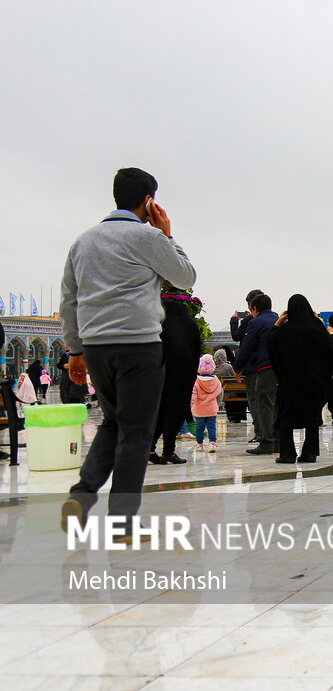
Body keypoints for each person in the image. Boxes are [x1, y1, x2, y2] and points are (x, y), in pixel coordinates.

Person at [59, 167, 197, 535]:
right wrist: (168, 235)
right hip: (138, 346)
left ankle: (83, 494)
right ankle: (122, 522)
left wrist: (75, 351)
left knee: (114, 422)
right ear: (149, 202)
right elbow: (185, 278)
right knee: (137, 432)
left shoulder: (83, 241)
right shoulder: (148, 238)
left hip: (97, 348)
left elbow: (69, 301)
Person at [268, 294, 332, 463]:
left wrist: (277, 324)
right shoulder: (318, 331)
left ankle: (287, 453)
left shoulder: (282, 334)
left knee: (285, 416)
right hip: (313, 382)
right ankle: (310, 453)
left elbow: (270, 345)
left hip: (289, 383)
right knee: (311, 417)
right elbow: (329, 352)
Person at [148, 289, 202, 465]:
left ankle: (149, 448)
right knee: (175, 412)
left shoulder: (161, 326)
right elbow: (196, 352)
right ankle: (169, 451)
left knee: (160, 413)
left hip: (161, 376)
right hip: (183, 377)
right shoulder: (190, 327)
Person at [234, 293, 279, 455]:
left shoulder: (256, 322)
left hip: (265, 368)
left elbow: (247, 347)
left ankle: (267, 442)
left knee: (264, 404)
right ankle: (279, 440)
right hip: (282, 369)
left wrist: (237, 368)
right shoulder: (279, 319)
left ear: (254, 308)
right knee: (277, 404)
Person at [191, 354, 222, 452]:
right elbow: (220, 392)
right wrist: (218, 403)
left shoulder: (196, 380)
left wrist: (191, 404)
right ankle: (212, 443)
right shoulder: (216, 380)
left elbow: (193, 394)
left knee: (199, 427)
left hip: (199, 409)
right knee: (211, 426)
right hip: (212, 408)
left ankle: (200, 444)